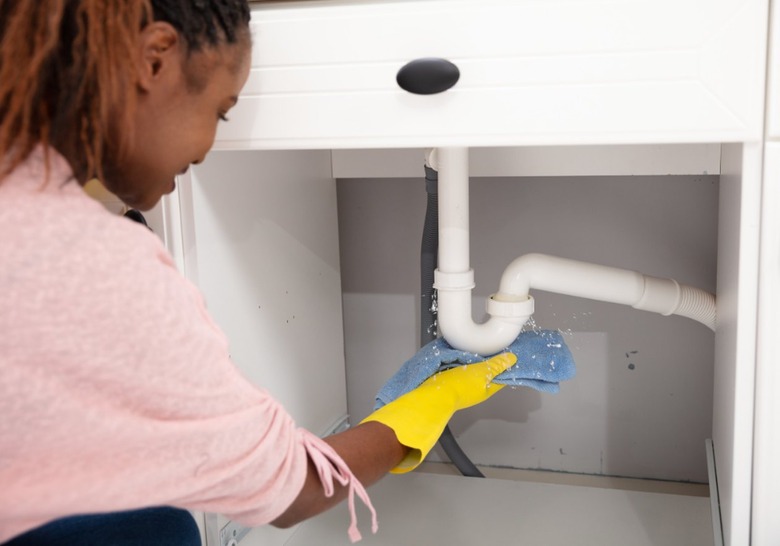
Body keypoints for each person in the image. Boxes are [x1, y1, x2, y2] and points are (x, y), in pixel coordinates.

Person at [0, 1, 516, 544]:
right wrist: (427, 406)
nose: (205, 149)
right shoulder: (95, 258)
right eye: (220, 112)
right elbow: (294, 488)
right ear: (155, 59)